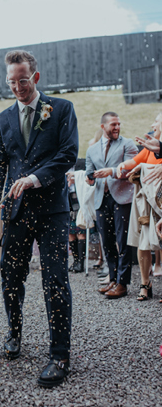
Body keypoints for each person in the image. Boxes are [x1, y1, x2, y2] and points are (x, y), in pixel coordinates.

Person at [0, 50, 78, 388]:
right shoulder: (2, 119)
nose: (18, 87)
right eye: (12, 82)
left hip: (53, 210)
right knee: (10, 277)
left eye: (23, 80)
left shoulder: (62, 109)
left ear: (35, 78)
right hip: (16, 212)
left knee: (55, 280)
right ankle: (14, 331)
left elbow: (68, 154)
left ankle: (60, 354)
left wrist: (35, 178)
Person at [85, 112, 138, 299]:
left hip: (122, 198)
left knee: (122, 242)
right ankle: (113, 279)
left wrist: (112, 172)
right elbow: (90, 173)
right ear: (103, 127)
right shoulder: (91, 150)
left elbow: (133, 169)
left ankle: (123, 284)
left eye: (118, 124)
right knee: (106, 241)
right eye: (113, 124)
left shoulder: (128, 144)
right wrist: (89, 179)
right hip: (101, 199)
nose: (117, 127)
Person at [116, 111, 162, 301]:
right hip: (146, 203)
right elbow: (134, 162)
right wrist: (120, 166)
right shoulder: (151, 148)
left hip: (160, 200)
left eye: (156, 121)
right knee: (144, 242)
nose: (153, 124)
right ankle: (145, 284)